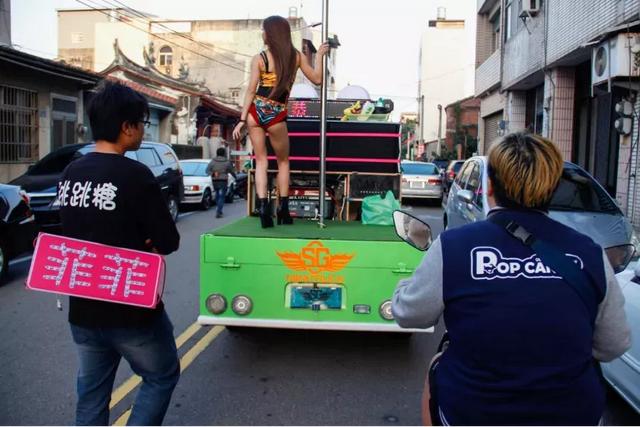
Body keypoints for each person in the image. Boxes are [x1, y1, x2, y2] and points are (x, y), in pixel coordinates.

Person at [392, 133, 631, 425]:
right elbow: (614, 344)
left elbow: (409, 314)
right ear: (553, 187)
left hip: (475, 413)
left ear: (490, 186)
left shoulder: (454, 246)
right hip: (572, 413)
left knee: (436, 365)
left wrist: (404, 286)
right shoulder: (590, 252)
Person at [57, 81, 181, 426]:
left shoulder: (71, 172)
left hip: (83, 307)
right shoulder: (135, 175)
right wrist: (145, 241)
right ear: (127, 127)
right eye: (142, 123)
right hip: (131, 307)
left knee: (92, 393)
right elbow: (168, 240)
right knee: (161, 375)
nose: (144, 130)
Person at [232, 15, 329, 228]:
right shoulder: (296, 57)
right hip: (276, 114)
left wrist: (241, 120)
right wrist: (320, 56)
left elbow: (251, 91)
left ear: (270, 34)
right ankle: (283, 211)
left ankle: (263, 209)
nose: (262, 34)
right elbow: (318, 80)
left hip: (255, 112)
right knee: (283, 162)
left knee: (261, 161)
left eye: (264, 30)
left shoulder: (259, 58)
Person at [206, 147, 237, 218]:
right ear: (224, 154)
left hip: (215, 180)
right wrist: (235, 177)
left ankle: (218, 209)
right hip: (223, 180)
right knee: (222, 196)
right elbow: (231, 171)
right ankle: (219, 211)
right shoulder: (227, 162)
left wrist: (213, 173)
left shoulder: (212, 161)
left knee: (217, 194)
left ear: (217, 153)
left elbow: (207, 171)